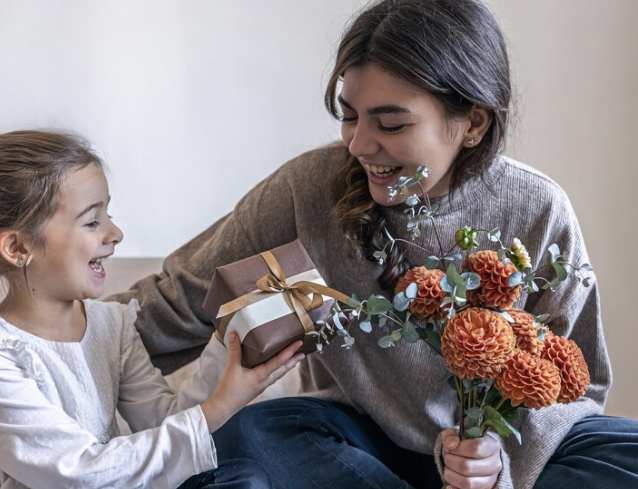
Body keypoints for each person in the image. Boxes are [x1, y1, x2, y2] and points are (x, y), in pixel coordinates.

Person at [107, 1, 638, 488]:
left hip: (491, 462)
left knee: (624, 452)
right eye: (349, 115)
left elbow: (575, 382)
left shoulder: (538, 207)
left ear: (472, 122)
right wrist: (45, 332)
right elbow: (177, 300)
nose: (359, 144)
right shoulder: (306, 189)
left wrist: (495, 458)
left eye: (391, 122)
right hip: (358, 448)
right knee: (250, 432)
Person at [0, 130, 304, 489]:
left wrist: (229, 348)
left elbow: (162, 423)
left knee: (244, 478)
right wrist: (218, 409)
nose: (116, 233)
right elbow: (76, 474)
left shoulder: (111, 326)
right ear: (17, 248)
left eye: (109, 213)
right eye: (92, 222)